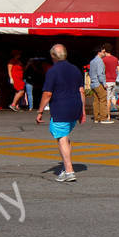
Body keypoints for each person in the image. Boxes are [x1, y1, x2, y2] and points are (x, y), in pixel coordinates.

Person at [37, 44, 86, 182]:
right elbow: (81, 90)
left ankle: (69, 171)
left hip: (61, 108)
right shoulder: (75, 69)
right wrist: (82, 110)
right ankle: (66, 168)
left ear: (53, 56)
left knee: (62, 137)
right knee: (65, 136)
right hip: (75, 107)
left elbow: (47, 93)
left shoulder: (52, 71)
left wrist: (40, 111)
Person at [87, 47, 110, 124]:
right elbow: (100, 74)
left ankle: (96, 118)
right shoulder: (100, 61)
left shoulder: (92, 61)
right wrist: (104, 83)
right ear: (99, 53)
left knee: (96, 101)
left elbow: (90, 72)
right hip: (98, 83)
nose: (104, 53)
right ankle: (103, 118)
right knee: (103, 99)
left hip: (93, 83)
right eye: (103, 52)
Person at [102, 45, 119, 120]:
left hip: (107, 81)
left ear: (105, 50)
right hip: (114, 80)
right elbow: (118, 69)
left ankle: (108, 116)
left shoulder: (103, 60)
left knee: (108, 98)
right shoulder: (115, 59)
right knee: (113, 98)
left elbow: (102, 70)